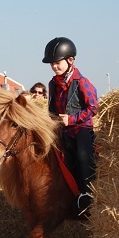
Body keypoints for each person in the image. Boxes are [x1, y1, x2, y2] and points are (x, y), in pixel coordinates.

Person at [42, 37, 98, 216]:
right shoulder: (53, 83)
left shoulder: (82, 82)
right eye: (52, 64)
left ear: (70, 60)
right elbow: (52, 109)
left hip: (81, 129)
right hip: (63, 130)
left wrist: (72, 120)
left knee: (83, 156)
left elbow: (93, 108)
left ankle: (89, 194)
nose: (54, 67)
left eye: (57, 63)